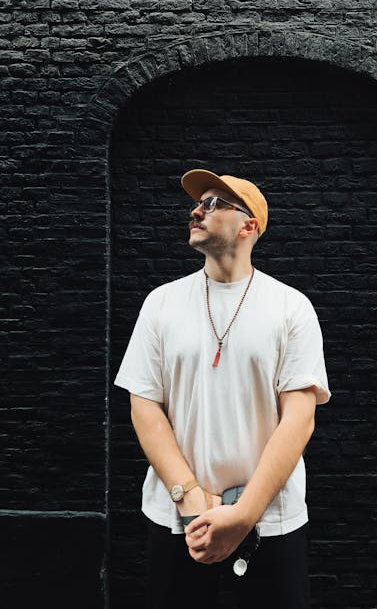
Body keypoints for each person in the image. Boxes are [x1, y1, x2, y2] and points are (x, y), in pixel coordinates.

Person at [114, 169, 330, 609]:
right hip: (179, 519)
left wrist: (243, 514)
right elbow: (144, 406)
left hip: (271, 519)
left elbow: (299, 418)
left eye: (213, 204)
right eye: (198, 204)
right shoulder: (161, 302)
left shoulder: (291, 307)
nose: (196, 210)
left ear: (248, 225)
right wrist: (190, 496)